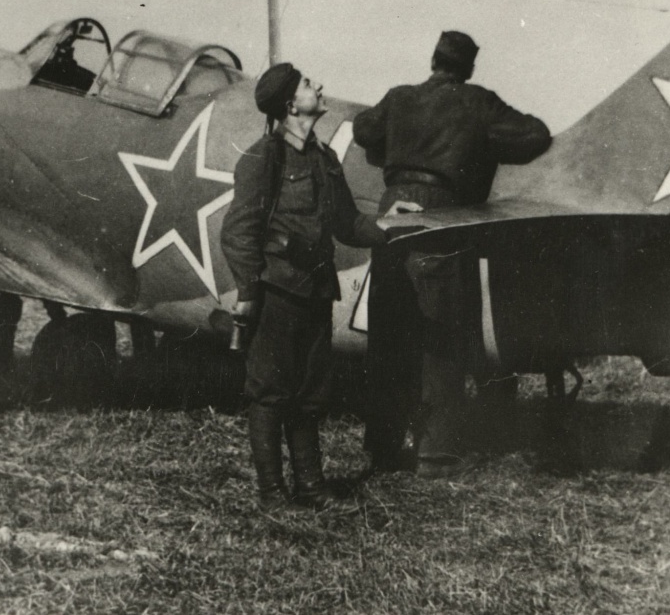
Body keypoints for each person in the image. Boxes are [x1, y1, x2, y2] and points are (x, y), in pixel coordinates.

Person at [353, 30, 551, 478]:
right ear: (468, 68)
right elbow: (535, 135)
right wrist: (481, 145)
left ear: (433, 60)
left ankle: (383, 447)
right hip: (443, 213)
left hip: (392, 211)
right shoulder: (477, 102)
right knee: (440, 338)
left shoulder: (399, 97)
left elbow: (363, 129)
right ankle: (435, 453)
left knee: (389, 334)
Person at [220, 62, 415, 512]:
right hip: (277, 292)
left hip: (316, 291)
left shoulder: (324, 159)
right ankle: (272, 494)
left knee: (311, 394)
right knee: (270, 393)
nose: (319, 86)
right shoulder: (264, 158)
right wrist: (248, 292)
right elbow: (238, 231)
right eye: (309, 84)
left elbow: (347, 223)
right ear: (291, 104)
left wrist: (388, 223)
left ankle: (311, 487)